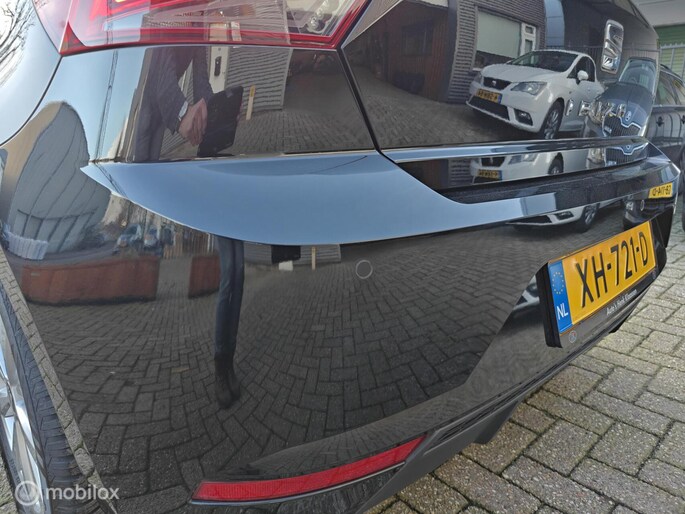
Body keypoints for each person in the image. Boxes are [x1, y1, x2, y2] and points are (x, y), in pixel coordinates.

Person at [134, 47, 213, 162]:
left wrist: (217, 110)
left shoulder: (199, 38)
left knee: (149, 165)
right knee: (140, 166)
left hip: (160, 114)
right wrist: (182, 113)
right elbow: (161, 77)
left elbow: (201, 84)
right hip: (144, 110)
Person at [214, 237, 244, 408]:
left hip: (240, 221)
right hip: (221, 221)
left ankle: (229, 362)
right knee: (228, 271)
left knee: (239, 273)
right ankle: (220, 365)